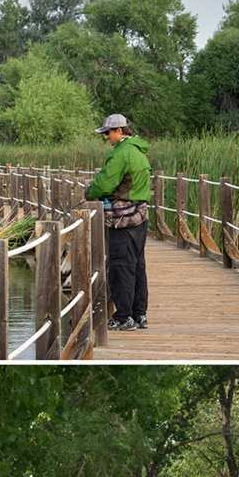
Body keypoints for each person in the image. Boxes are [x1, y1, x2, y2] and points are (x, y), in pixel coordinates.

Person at [85, 114, 151, 331]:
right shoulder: (139, 151)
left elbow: (105, 182)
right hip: (140, 217)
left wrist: (89, 193)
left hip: (123, 220)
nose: (106, 138)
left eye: (108, 133)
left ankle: (123, 317)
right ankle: (139, 314)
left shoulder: (122, 153)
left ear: (120, 131)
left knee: (120, 266)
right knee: (137, 266)